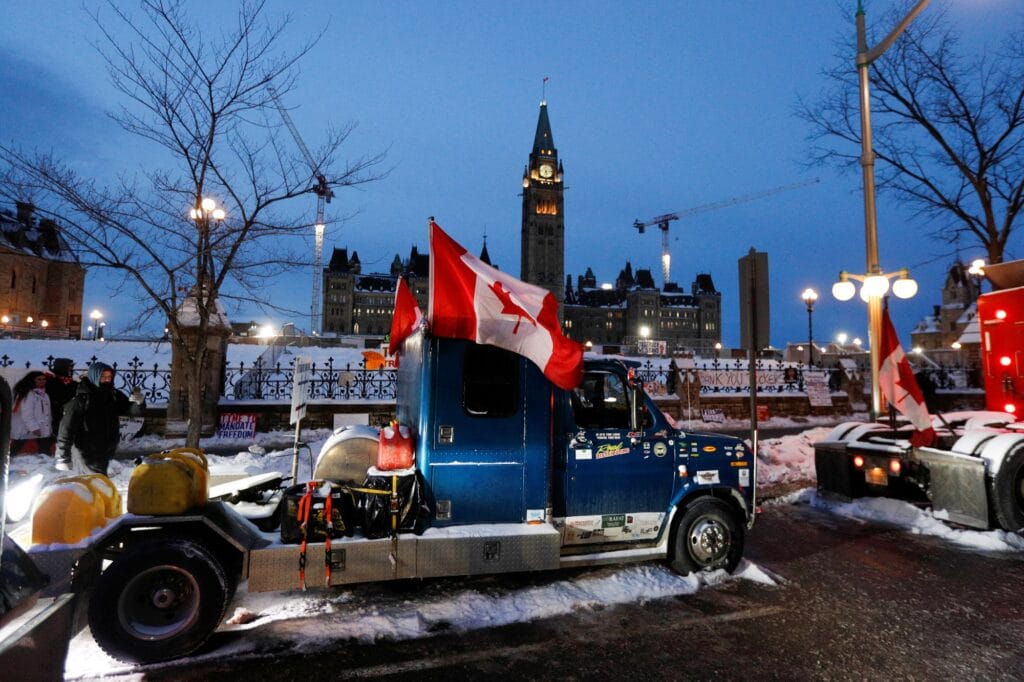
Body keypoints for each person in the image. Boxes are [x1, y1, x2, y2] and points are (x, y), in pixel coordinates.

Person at [55, 362, 144, 474]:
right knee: (98, 482)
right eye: (103, 377)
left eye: (109, 377)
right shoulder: (82, 399)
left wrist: (138, 403)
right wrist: (63, 455)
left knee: (93, 484)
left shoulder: (113, 395)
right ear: (95, 376)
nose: (107, 380)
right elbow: (67, 426)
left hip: (105, 449)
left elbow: (131, 412)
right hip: (86, 450)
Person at [10, 370, 53, 455]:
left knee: (44, 450)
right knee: (16, 450)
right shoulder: (29, 394)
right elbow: (27, 413)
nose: (42, 381)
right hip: (28, 429)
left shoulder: (44, 394)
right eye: (39, 379)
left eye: (44, 379)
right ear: (32, 380)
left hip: (42, 428)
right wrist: (34, 428)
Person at [45, 357, 78, 451]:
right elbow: (60, 395)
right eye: (69, 367)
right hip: (56, 412)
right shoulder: (52, 381)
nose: (71, 369)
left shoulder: (68, 380)